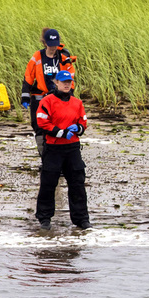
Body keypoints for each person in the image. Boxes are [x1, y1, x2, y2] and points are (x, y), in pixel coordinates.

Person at [34, 70, 90, 230]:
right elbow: (42, 122)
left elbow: (83, 121)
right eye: (63, 82)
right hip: (53, 148)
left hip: (72, 149)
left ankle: (82, 219)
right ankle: (44, 218)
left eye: (69, 82)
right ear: (56, 83)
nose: (67, 84)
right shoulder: (47, 101)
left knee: (78, 183)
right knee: (48, 183)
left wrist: (78, 128)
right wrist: (61, 132)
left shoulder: (77, 102)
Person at [21, 28, 76, 157]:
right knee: (39, 127)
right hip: (40, 98)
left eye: (55, 45)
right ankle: (45, 157)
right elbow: (29, 75)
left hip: (58, 98)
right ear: (45, 43)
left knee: (58, 126)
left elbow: (70, 78)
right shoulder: (37, 57)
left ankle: (59, 157)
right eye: (50, 45)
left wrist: (70, 95)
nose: (53, 48)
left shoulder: (63, 58)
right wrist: (25, 94)